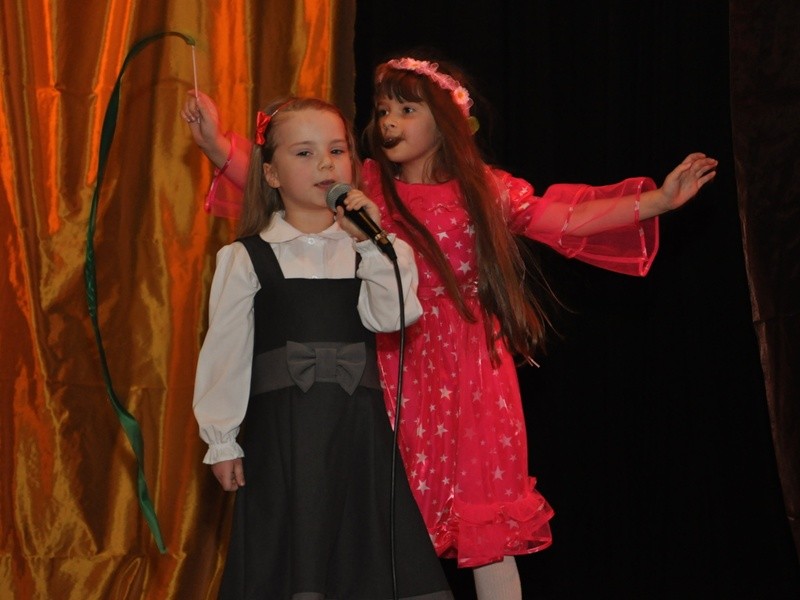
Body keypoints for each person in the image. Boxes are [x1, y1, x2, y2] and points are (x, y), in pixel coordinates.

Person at [183, 54, 717, 600]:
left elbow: (566, 219)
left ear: (446, 122)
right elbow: (291, 177)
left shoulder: (483, 189)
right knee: (384, 518)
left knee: (487, 519)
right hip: (391, 363)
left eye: (407, 110)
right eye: (383, 110)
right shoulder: (367, 186)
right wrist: (216, 144)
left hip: (469, 374)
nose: (389, 122)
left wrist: (658, 200)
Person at [191, 95, 452, 599]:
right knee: (291, 560)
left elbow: (394, 316)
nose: (325, 164)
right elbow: (225, 355)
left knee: (364, 560)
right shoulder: (245, 258)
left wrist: (370, 242)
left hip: (358, 435)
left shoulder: (377, 250)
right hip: (283, 440)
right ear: (270, 174)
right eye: (305, 153)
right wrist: (222, 440)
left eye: (336, 150)